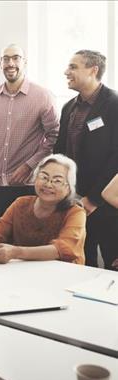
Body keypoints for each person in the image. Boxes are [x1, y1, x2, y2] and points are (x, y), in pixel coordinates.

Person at [0, 44, 59, 230]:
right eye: (6, 59)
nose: (10, 63)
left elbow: (54, 136)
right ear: (0, 63)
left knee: (23, 249)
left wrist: (29, 165)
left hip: (27, 189)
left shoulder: (43, 96)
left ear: (25, 62)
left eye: (16, 58)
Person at [54, 50, 118, 270]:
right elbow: (60, 153)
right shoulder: (68, 108)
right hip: (74, 204)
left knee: (113, 269)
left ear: (93, 70)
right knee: (79, 267)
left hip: (107, 206)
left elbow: (116, 158)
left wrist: (94, 198)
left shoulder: (114, 104)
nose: (66, 72)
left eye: (73, 67)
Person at [0, 154, 85, 265]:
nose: (48, 184)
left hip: (64, 275)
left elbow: (62, 249)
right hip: (23, 273)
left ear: (69, 188)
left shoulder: (76, 212)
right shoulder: (21, 203)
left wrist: (15, 252)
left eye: (57, 181)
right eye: (43, 177)